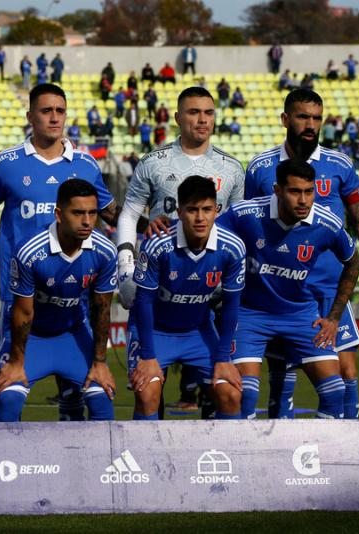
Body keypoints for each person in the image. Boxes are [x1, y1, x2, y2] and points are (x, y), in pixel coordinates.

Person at [0, 84, 119, 422]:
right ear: (30, 116)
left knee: (80, 392)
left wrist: (155, 225)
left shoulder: (85, 164)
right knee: (11, 390)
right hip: (23, 296)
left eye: (60, 110)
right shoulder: (7, 164)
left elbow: (112, 213)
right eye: (46, 111)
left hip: (74, 295)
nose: (54, 117)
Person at [245, 89, 359, 419]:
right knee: (282, 377)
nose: (311, 124)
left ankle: (344, 450)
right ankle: (282, 459)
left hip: (328, 286)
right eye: (302, 116)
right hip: (279, 289)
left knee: (347, 373)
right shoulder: (261, 168)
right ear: (285, 119)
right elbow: (249, 228)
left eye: (316, 118)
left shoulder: (338, 165)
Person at [116, 87, 244, 419]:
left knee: (220, 390)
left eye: (208, 113)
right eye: (193, 112)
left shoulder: (231, 168)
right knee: (150, 391)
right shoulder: (154, 162)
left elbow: (237, 223)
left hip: (207, 285)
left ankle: (216, 461)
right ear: (177, 117)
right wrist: (125, 266)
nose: (202, 119)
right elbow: (130, 215)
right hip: (160, 274)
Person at [218, 159, 359, 420]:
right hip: (250, 314)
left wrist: (333, 317)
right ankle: (247, 458)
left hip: (300, 314)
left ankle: (323, 456)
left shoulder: (326, 223)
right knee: (244, 393)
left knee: (335, 391)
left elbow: (353, 261)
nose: (304, 200)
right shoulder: (245, 214)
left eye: (309, 191)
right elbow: (208, 235)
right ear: (277, 191)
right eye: (295, 192)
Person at [0, 179, 117, 422]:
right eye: (78, 213)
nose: (87, 221)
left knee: (103, 396)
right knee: (8, 398)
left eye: (92, 213)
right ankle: (3, 459)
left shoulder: (105, 251)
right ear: (59, 214)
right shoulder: (29, 251)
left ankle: (96, 460)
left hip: (73, 333)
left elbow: (102, 309)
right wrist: (17, 362)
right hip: (32, 339)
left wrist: (100, 361)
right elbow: (23, 313)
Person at [129, 176, 245, 420]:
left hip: (198, 330)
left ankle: (228, 457)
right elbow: (143, 302)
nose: (200, 218)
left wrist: (223, 358)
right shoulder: (157, 245)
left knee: (231, 394)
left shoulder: (233, 247)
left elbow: (233, 305)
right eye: (192, 210)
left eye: (206, 210)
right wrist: (148, 356)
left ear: (217, 210)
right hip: (156, 332)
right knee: (147, 394)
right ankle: (144, 457)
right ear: (179, 211)